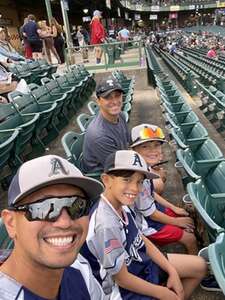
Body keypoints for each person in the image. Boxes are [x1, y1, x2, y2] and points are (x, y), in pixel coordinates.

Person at [85, 149, 207, 299]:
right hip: (123, 291)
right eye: (127, 179)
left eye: (139, 181)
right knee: (172, 295)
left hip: (140, 263)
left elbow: (141, 239)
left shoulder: (122, 203)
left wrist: (171, 270)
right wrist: (161, 293)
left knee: (200, 266)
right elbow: (122, 279)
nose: (135, 188)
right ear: (107, 180)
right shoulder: (105, 224)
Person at [0, 154, 105, 299]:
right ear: (11, 223)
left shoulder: (78, 266)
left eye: (77, 205)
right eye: (43, 208)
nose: (65, 222)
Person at [129, 124, 198, 254]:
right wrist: (177, 222)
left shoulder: (145, 167)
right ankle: (197, 269)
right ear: (134, 150)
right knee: (190, 238)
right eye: (145, 146)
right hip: (145, 225)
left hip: (152, 210)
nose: (153, 150)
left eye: (156, 145)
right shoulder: (136, 178)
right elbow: (151, 215)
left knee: (184, 216)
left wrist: (173, 208)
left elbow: (152, 194)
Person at [82, 76, 130, 172]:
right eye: (108, 97)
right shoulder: (99, 135)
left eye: (117, 95)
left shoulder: (121, 115)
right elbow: (118, 169)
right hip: (101, 175)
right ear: (98, 101)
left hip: (118, 161)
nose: (115, 101)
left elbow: (128, 144)